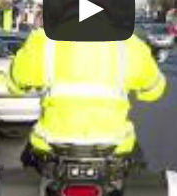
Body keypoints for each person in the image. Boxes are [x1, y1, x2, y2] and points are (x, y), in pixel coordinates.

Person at [9, 29, 166, 168]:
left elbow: (14, 85)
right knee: (138, 175)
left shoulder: (43, 40)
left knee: (27, 167)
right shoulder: (129, 44)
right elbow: (154, 90)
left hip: (50, 145)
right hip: (114, 145)